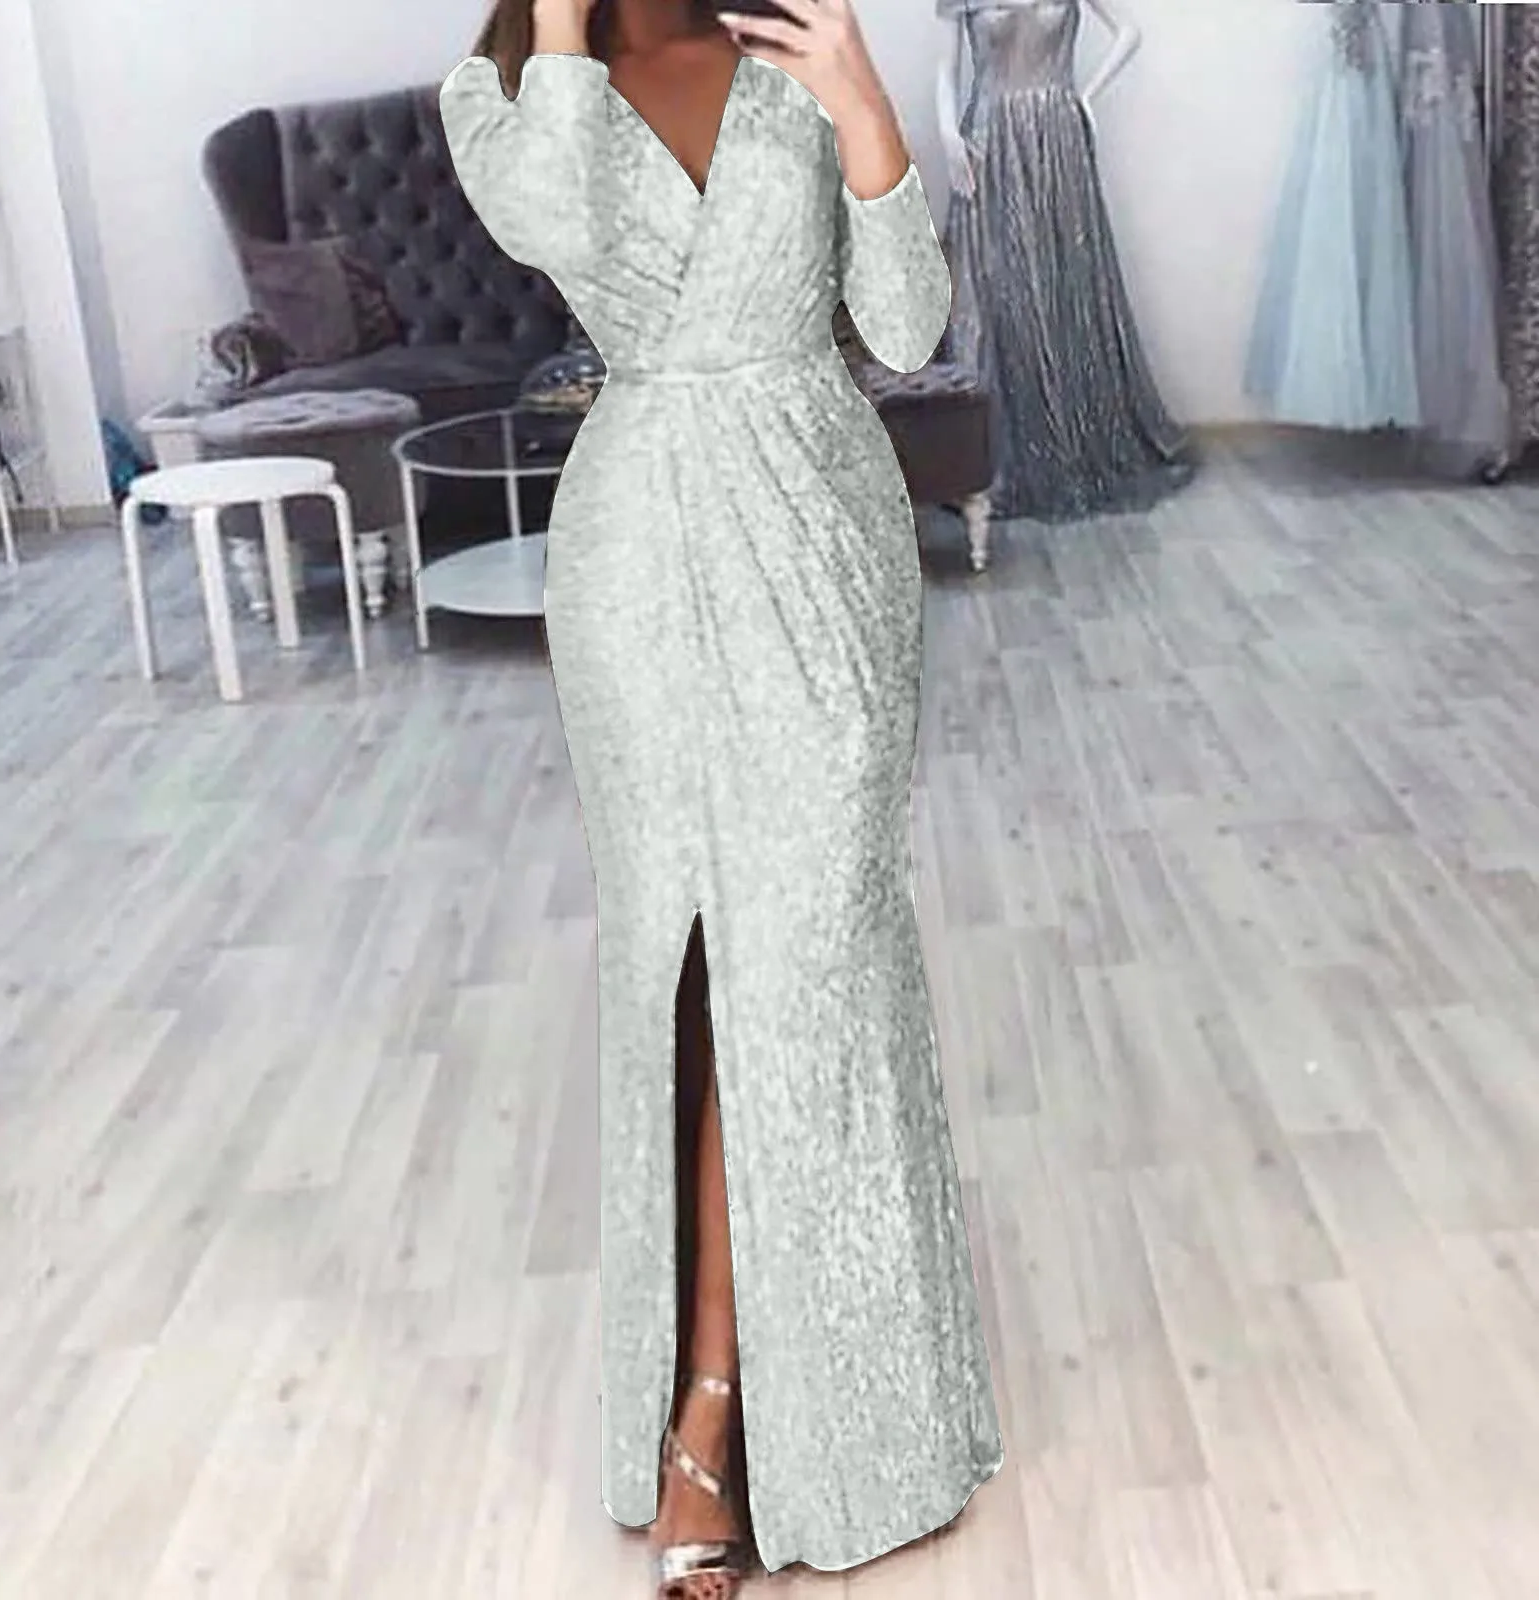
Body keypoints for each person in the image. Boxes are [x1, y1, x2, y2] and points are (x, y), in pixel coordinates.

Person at [441, 2, 1005, 1594]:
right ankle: (709, 1403)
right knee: (682, 970)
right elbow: (555, 226)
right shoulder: (497, 91)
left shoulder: (788, 50)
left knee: (815, 960)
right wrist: (562, 30)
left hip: (819, 534)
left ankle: (836, 1416)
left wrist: (861, 97)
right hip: (634, 557)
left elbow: (905, 326)